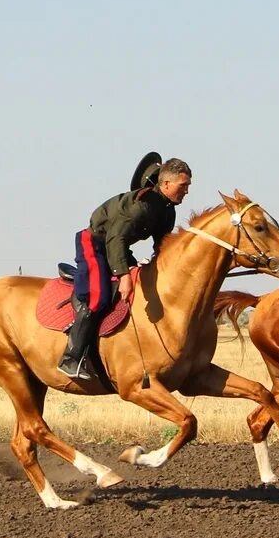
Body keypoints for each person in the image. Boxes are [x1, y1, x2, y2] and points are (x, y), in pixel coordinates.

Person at [57, 156, 193, 381]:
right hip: (95, 244)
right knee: (97, 298)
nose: (186, 191)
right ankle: (70, 359)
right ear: (166, 184)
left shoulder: (168, 210)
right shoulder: (140, 205)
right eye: (183, 186)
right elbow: (115, 240)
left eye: (188, 186)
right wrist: (124, 276)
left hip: (117, 248)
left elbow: (162, 246)